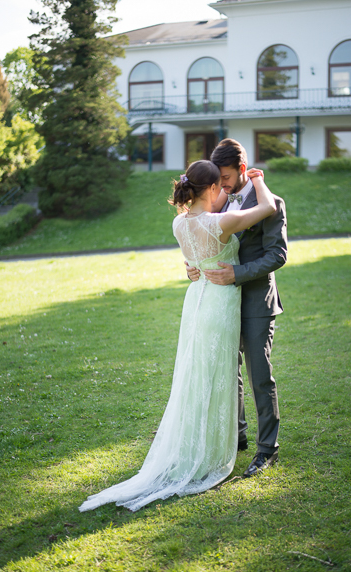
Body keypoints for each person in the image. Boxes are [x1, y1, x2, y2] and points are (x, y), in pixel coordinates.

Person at [79, 159, 275, 512]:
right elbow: (268, 207)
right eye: (221, 187)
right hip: (218, 302)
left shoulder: (177, 224)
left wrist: (194, 267)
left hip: (195, 300)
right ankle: (212, 448)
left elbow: (195, 258)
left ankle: (201, 440)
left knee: (196, 371)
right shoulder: (221, 222)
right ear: (213, 189)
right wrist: (258, 179)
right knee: (217, 373)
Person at [189, 139, 288, 478]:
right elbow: (202, 233)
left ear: (243, 170)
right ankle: (238, 437)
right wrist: (193, 265)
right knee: (228, 374)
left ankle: (267, 450)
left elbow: (278, 255)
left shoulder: (271, 202)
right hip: (222, 302)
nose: (222, 184)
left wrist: (237, 273)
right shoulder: (218, 200)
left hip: (257, 301)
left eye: (227, 177)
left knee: (259, 376)